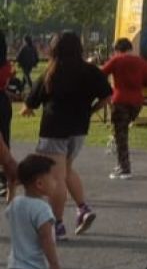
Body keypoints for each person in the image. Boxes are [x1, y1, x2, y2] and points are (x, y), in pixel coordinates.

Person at [22, 32, 113, 241]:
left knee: (56, 178)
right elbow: (108, 96)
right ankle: (83, 208)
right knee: (67, 170)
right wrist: (91, 110)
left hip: (54, 130)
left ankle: (58, 224)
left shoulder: (51, 72)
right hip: (79, 129)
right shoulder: (90, 71)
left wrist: (26, 109)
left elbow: (31, 101)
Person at [101, 38, 147, 179]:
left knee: (121, 135)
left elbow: (101, 74)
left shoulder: (116, 60)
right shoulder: (142, 63)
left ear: (117, 49)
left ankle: (124, 168)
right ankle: (121, 162)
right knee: (122, 132)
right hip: (137, 103)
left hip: (120, 100)